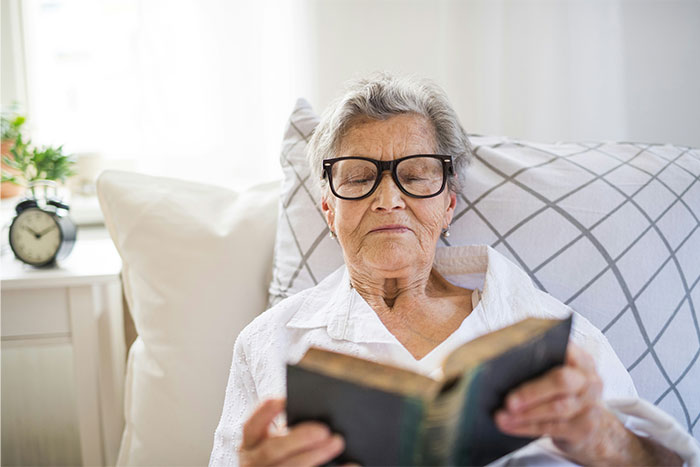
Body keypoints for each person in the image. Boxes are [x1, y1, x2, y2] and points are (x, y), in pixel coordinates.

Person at [210, 74, 697, 466]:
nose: (388, 199)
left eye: (417, 175)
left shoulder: (555, 338)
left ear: (448, 204)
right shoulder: (266, 343)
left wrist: (603, 438)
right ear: (327, 210)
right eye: (358, 177)